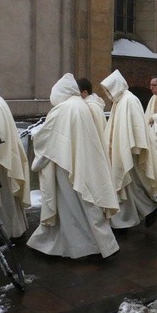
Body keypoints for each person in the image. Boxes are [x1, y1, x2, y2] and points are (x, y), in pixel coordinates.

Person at [27, 73, 119, 258]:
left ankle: (81, 246)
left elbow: (47, 138)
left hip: (66, 164)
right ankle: (100, 244)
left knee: (70, 208)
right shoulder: (80, 105)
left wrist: (36, 136)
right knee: (88, 206)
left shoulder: (63, 109)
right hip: (83, 163)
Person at [101, 70, 157, 229]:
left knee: (130, 185)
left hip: (129, 151)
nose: (108, 93)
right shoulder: (119, 101)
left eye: (109, 89)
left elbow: (136, 126)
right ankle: (126, 219)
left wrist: (133, 149)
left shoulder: (130, 100)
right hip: (119, 152)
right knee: (126, 186)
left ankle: (144, 210)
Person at [0, 87, 30, 239]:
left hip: (1, 161)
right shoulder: (0, 102)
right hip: (5, 159)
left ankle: (7, 232)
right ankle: (12, 229)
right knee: (8, 199)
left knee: (4, 201)